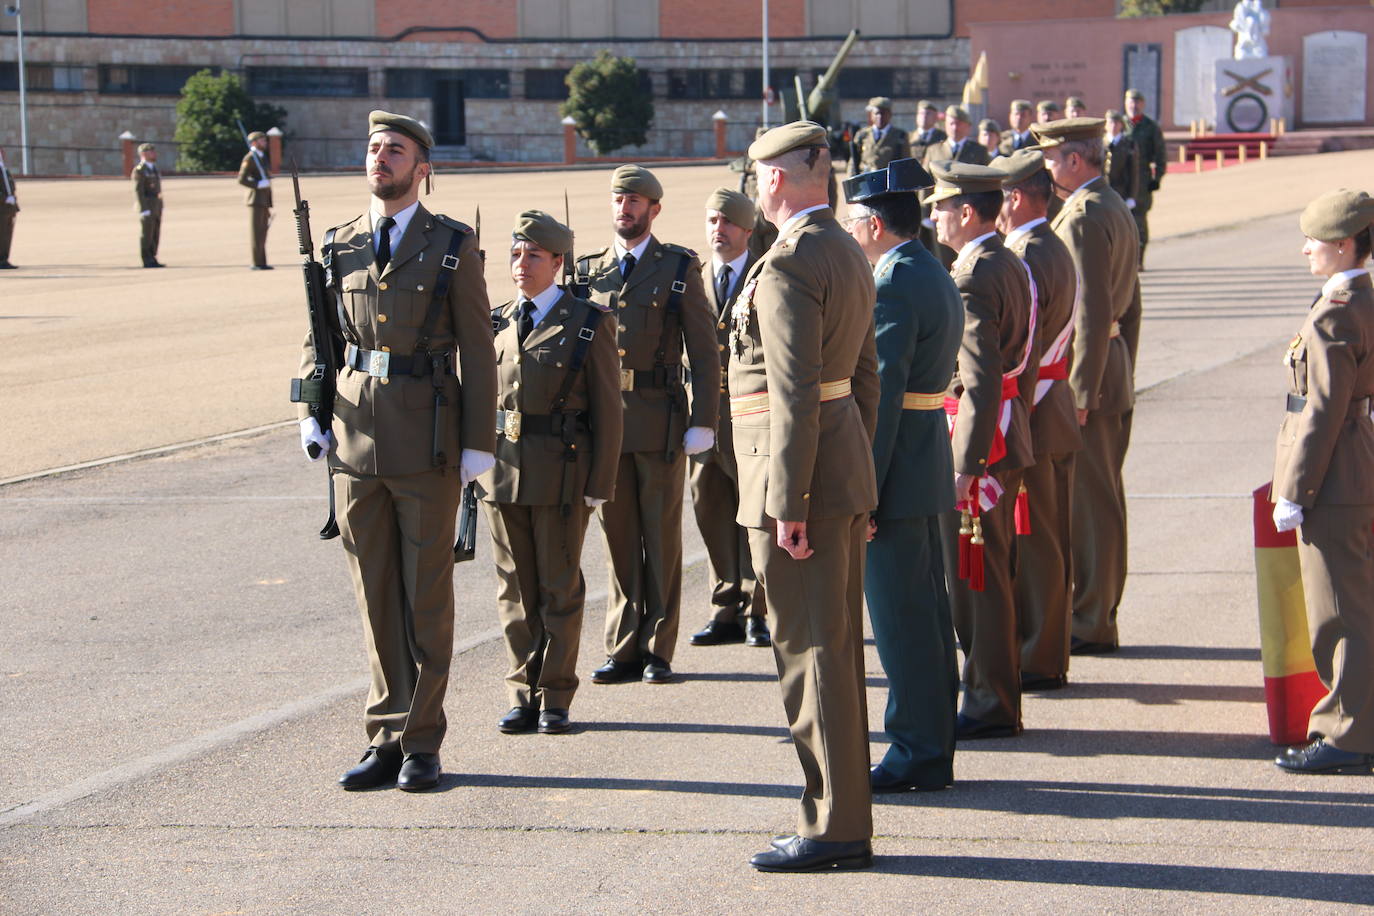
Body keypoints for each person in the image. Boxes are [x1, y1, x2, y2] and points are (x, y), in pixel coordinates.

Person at [297, 110, 497, 792]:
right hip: (355, 443)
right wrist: (309, 411)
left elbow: (478, 349)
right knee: (374, 595)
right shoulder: (339, 243)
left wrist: (479, 444)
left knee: (425, 598)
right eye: (374, 148)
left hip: (429, 445)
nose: (380, 157)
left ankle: (422, 742)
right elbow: (319, 336)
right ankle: (385, 734)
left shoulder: (452, 246)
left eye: (396, 150)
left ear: (422, 169)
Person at [732, 121, 879, 872]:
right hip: (839, 469)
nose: (756, 190)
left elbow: (790, 391)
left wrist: (789, 502)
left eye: (759, 177)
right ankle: (841, 815)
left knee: (810, 656)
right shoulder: (848, 249)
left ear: (778, 180)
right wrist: (863, 478)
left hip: (798, 483)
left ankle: (833, 826)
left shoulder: (789, 261)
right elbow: (866, 378)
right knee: (835, 653)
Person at [842, 159, 962, 792]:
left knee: (900, 621)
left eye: (854, 221)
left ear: (875, 224)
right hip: (923, 462)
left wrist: (866, 489)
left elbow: (883, 398)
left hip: (898, 470)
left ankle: (916, 749)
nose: (850, 231)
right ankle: (931, 741)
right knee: (926, 616)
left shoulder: (891, 283)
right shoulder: (928, 269)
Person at [575, 165, 720, 686]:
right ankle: (623, 647)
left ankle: (658, 648)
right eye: (618, 199)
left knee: (660, 539)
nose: (625, 209)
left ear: (654, 210)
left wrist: (704, 420)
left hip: (659, 420)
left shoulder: (678, 267)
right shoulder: (589, 272)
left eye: (635, 201)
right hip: (605, 428)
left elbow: (705, 354)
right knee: (618, 540)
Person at [483, 211, 623, 737]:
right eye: (516, 254)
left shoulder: (589, 322)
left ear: (559, 262)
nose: (522, 265)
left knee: (558, 590)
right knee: (514, 590)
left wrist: (599, 486)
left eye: (534, 255)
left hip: (562, 476)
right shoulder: (495, 320)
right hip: (502, 474)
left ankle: (556, 695)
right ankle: (523, 692)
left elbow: (610, 412)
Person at [927, 159, 1037, 740]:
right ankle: (994, 692)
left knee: (980, 580)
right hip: (1004, 431)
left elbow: (980, 378)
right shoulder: (1006, 262)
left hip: (981, 442)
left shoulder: (972, 274)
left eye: (942, 207)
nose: (935, 217)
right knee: (990, 575)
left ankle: (990, 700)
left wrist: (967, 466)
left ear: (966, 213)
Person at [1271, 189, 1374, 775]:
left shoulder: (1337, 311)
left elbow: (1324, 408)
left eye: (1314, 240)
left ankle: (1346, 733)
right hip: (1353, 462)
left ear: (1342, 246)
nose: (1307, 249)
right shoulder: (1357, 299)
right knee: (1354, 600)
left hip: (1334, 475)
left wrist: (1297, 489)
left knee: (1340, 609)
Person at [1033, 117, 1141, 656]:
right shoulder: (1111, 205)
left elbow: (1091, 312)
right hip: (1109, 364)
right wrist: (1120, 368)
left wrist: (1081, 391)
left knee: (1091, 503)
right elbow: (1130, 305)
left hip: (1088, 370)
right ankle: (1096, 610)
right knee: (1101, 497)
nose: (1047, 169)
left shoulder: (1081, 217)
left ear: (1075, 160)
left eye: (1052, 159)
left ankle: (1094, 617)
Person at [993, 149, 1082, 691]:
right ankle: (1042, 649)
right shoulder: (1049, 244)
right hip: (1050, 403)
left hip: (1036, 405)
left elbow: (1021, 348)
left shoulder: (1026, 254)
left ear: (1016, 197)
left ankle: (1040, 655)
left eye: (1000, 197)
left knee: (1039, 541)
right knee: (1045, 538)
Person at [687, 188, 771, 649]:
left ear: (747, 230)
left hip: (752, 418)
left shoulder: (766, 275)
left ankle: (761, 608)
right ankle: (727, 605)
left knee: (755, 515)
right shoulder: (693, 278)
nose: (718, 230)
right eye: (712, 221)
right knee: (711, 510)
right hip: (705, 420)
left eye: (728, 223)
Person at [1124, 89, 1166, 269]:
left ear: (1143, 104)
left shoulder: (1150, 127)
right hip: (1121, 180)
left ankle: (1139, 259)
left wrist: (1157, 178)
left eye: (1137, 102)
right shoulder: (1119, 124)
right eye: (1131, 102)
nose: (1134, 106)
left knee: (1139, 219)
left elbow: (1160, 155)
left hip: (1141, 179)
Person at [848, 96, 909, 176]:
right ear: (871, 115)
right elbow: (853, 161)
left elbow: (905, 162)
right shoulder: (862, 135)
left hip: (889, 181)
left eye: (883, 113)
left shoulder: (900, 136)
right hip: (866, 180)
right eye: (877, 113)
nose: (880, 117)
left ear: (890, 114)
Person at [238, 130, 273, 270]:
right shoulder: (250, 158)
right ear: (254, 143)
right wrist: (257, 184)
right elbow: (241, 179)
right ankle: (256, 262)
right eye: (262, 141)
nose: (265, 143)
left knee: (262, 231)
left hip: (263, 200)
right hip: (255, 200)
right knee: (256, 232)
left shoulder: (261, 157)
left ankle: (262, 261)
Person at [131, 142, 164, 268]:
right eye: (151, 152)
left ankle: (153, 257)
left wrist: (161, 205)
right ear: (143, 154)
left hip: (156, 205)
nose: (154, 154)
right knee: (147, 234)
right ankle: (147, 259)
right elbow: (138, 191)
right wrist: (143, 208)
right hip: (147, 205)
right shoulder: (140, 170)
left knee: (155, 232)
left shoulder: (154, 168)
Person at [1104, 110, 1139, 211]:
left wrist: (1132, 196)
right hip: (1102, 192)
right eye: (1110, 122)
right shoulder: (1098, 144)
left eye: (1116, 123)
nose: (1113, 126)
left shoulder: (1129, 144)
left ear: (1121, 125)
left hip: (1121, 192)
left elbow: (1134, 172)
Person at [908, 99, 947, 164]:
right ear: (916, 116)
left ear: (935, 117)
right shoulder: (908, 137)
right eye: (921, 113)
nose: (924, 116)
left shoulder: (943, 137)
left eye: (928, 113)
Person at [0, 152, 16, 269]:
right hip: (1, 207)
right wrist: (4, 198)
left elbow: (10, 187)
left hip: (8, 209)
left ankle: (4, 258)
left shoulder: (4, 170)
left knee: (7, 236)